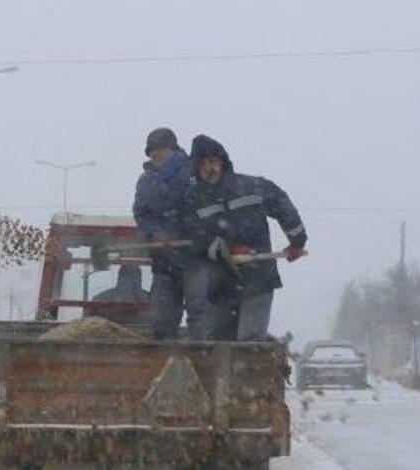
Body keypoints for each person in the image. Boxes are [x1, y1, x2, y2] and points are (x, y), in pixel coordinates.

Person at [183, 134, 308, 342]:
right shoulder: (193, 200)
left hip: (258, 277)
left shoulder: (253, 186)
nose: (209, 168)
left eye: (213, 162)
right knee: (219, 342)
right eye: (203, 164)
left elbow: (283, 206)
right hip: (220, 284)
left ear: (222, 162)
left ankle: (246, 370)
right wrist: (226, 250)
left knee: (250, 344)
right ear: (196, 168)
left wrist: (297, 242)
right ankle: (222, 374)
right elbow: (194, 237)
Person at [132, 127, 211, 340]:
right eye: (150, 151)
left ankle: (202, 360)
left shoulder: (196, 175)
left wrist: (190, 234)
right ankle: (162, 362)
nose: (154, 154)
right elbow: (141, 214)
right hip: (163, 262)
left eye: (159, 149)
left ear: (173, 149)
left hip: (195, 258)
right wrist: (155, 233)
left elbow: (207, 210)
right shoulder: (146, 181)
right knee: (161, 318)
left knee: (199, 313)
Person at [85, 263, 151, 326]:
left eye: (134, 277)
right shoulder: (151, 300)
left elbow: (86, 325)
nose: (129, 282)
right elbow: (86, 325)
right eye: (126, 276)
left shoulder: (99, 299)